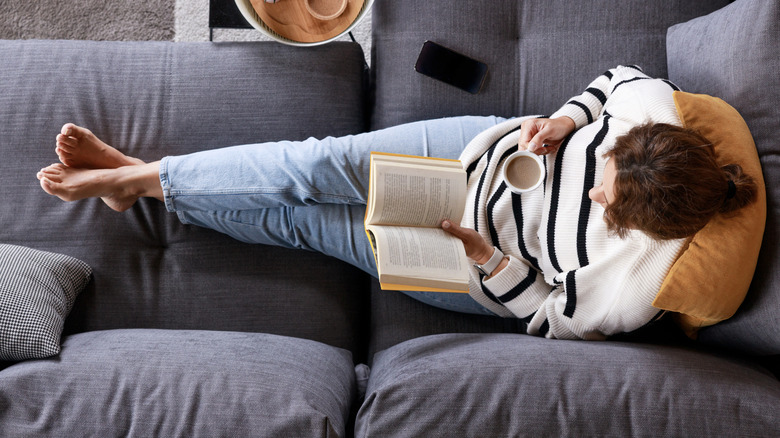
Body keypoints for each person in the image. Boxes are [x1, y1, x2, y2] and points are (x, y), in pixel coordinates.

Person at [36, 66, 756, 340]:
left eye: (604, 195)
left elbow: (545, 312)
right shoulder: (646, 119)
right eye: (605, 158)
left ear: (631, 224)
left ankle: (147, 184)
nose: (595, 175)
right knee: (310, 164)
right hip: (476, 154)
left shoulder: (628, 284)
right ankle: (135, 180)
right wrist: (566, 122)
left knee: (301, 222)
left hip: (466, 258)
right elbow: (613, 83)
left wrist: (486, 257)